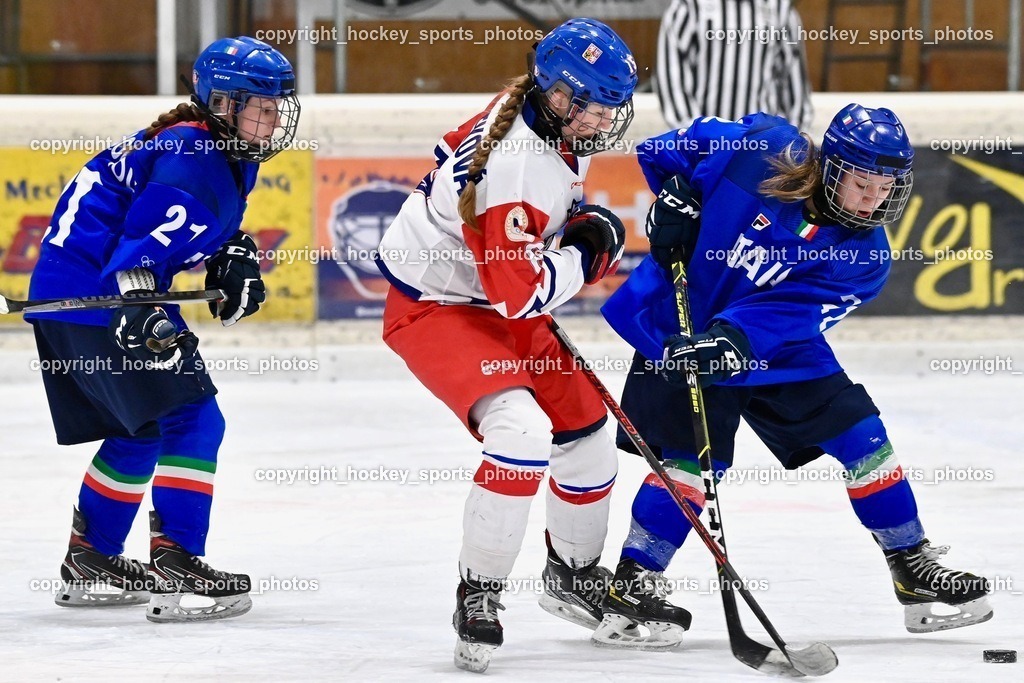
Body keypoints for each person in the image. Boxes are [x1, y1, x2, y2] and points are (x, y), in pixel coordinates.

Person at [595, 104, 992, 648]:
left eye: (886, 188)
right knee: (693, 460)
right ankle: (634, 581)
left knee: (863, 436)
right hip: (682, 323)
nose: (874, 200)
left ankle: (911, 565)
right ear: (831, 168)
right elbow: (667, 150)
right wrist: (675, 194)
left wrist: (735, 341)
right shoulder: (762, 147)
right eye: (863, 184)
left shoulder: (865, 257)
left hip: (774, 348)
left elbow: (791, 315)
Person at [375, 18, 637, 673]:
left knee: (587, 431)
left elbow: (516, 263)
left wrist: (569, 229)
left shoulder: (542, 116)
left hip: (487, 292)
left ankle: (573, 575)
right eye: (590, 105)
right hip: (436, 306)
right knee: (521, 431)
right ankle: (479, 592)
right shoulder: (519, 162)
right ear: (557, 93)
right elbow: (521, 295)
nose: (601, 120)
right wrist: (587, 253)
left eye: (610, 106)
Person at [28, 36, 299, 622]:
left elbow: (180, 226)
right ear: (223, 103)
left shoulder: (215, 148)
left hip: (67, 297)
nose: (274, 119)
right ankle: (177, 558)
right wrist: (141, 308)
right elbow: (138, 254)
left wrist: (230, 252)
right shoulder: (193, 154)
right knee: (195, 418)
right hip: (103, 296)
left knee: (143, 428)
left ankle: (92, 556)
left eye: (278, 106)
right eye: (261, 106)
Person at [657, 0, 813, 129]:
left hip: (764, 145)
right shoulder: (688, 7)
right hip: (702, 144)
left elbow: (795, 89)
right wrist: (696, 136)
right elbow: (671, 80)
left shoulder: (780, 7)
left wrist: (787, 140)